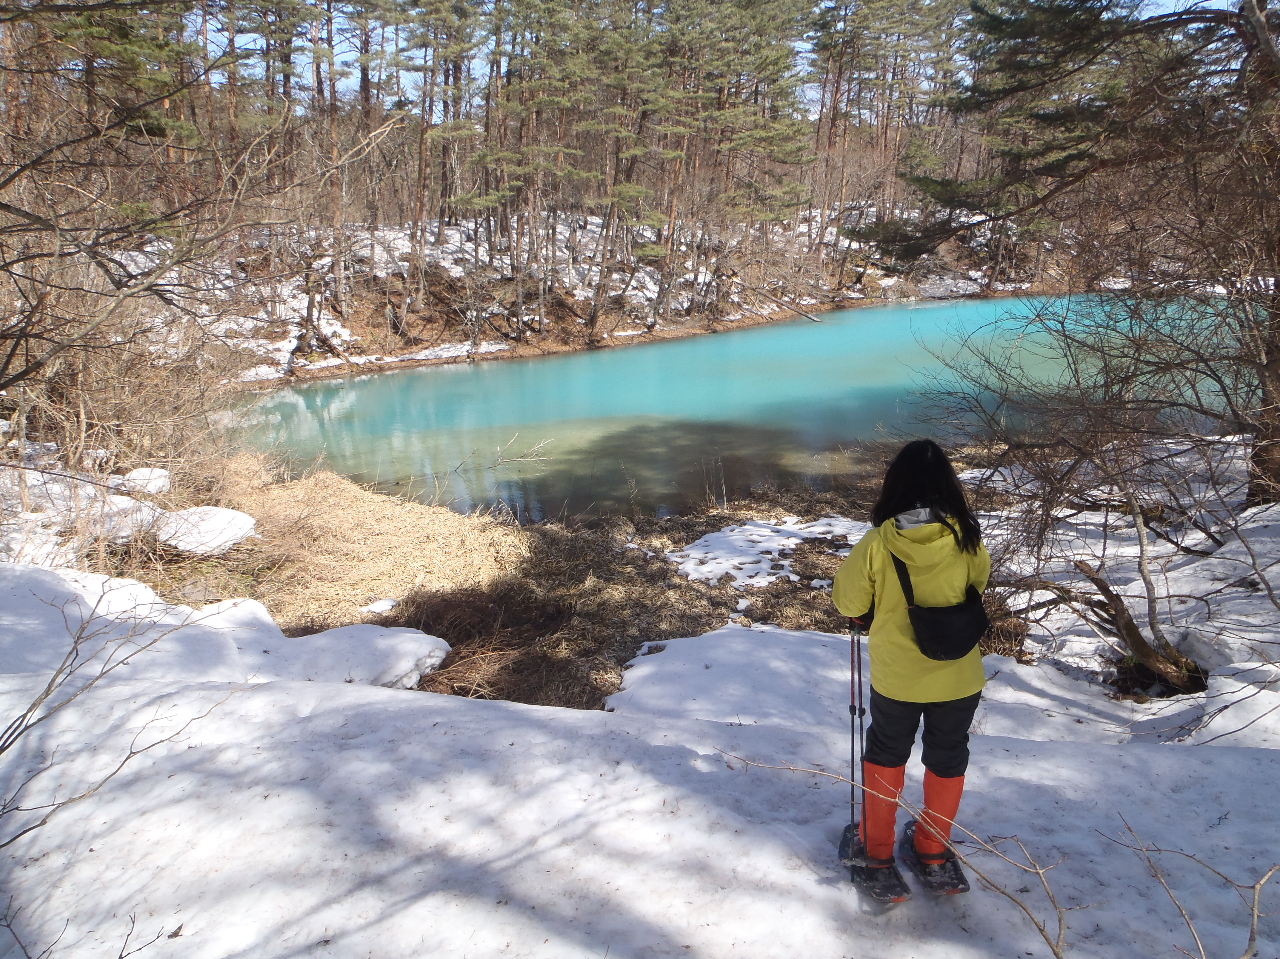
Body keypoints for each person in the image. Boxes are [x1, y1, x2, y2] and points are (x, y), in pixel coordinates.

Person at [832, 439, 990, 888]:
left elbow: (848, 601)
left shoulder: (878, 543)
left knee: (886, 753)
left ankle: (877, 853)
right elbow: (978, 583)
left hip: (898, 677)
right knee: (948, 757)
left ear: (895, 485)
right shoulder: (967, 536)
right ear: (948, 484)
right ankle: (932, 850)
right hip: (959, 675)